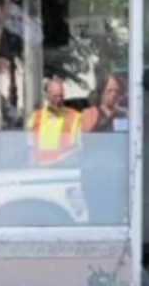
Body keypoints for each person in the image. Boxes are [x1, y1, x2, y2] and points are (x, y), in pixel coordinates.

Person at [80, 73, 129, 225]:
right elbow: (86, 137)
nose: (113, 95)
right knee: (96, 215)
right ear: (101, 92)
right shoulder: (90, 113)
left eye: (117, 91)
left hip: (116, 173)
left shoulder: (124, 116)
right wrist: (106, 117)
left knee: (116, 215)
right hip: (95, 173)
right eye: (109, 91)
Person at [27, 77, 82, 166]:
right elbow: (30, 149)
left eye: (61, 96)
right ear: (47, 96)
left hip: (65, 170)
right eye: (55, 96)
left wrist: (59, 160)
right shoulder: (35, 118)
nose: (59, 100)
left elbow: (79, 148)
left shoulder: (75, 117)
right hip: (40, 170)